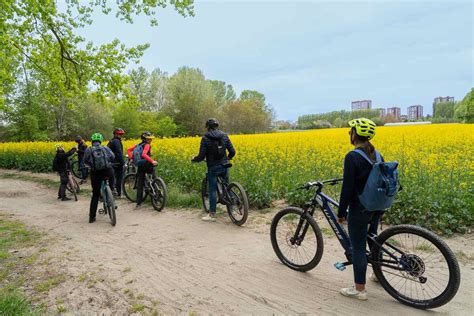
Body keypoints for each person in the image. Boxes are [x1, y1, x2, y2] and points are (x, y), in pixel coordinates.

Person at [337, 118, 383, 301]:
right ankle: (379, 275)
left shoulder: (352, 156)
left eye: (351, 131)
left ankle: (359, 289)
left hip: (361, 208)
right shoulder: (377, 154)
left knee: (357, 247)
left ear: (355, 134)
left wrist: (341, 213)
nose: (350, 133)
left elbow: (347, 188)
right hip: (377, 206)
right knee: (373, 239)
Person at [191, 118, 236, 222]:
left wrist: (195, 159)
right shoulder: (224, 135)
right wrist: (227, 158)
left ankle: (212, 214)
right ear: (217, 126)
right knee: (226, 185)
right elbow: (233, 151)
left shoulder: (205, 138)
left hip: (213, 166)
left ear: (208, 127)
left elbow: (201, 156)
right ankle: (234, 203)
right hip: (225, 164)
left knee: (212, 190)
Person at [83, 133, 115, 223]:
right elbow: (113, 157)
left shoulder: (88, 149)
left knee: (95, 194)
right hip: (107, 171)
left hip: (95, 173)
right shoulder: (105, 148)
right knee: (111, 173)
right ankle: (112, 189)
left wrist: (90, 166)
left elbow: (85, 161)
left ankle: (92, 217)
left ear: (92, 141)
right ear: (100, 141)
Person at [127, 131, 158, 207]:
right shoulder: (147, 145)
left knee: (140, 183)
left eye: (151, 139)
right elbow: (144, 155)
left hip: (140, 165)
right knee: (154, 179)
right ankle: (156, 196)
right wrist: (152, 161)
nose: (150, 140)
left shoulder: (138, 145)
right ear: (145, 139)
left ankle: (139, 202)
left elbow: (128, 150)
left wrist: (132, 158)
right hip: (147, 164)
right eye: (149, 139)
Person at [107, 128, 125, 198]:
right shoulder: (117, 141)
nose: (120, 136)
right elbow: (119, 153)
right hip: (117, 163)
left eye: (121, 134)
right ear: (115, 134)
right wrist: (123, 162)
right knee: (119, 178)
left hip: (111, 162)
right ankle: (118, 193)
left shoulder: (111, 141)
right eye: (119, 134)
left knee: (112, 178)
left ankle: (111, 192)